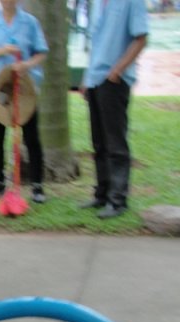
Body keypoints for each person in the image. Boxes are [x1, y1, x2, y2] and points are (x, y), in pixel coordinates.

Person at [80, 0, 148, 219]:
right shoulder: (97, 3)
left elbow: (141, 38)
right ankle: (102, 193)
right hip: (95, 79)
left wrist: (118, 69)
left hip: (115, 80)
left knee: (115, 143)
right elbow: (96, 43)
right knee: (98, 142)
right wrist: (86, 78)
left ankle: (118, 200)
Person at [0, 0, 48, 204]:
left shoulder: (30, 22)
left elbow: (41, 52)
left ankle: (37, 186)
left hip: (25, 88)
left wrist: (26, 64)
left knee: (32, 137)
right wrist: (3, 50)